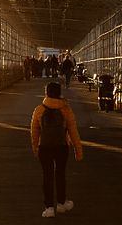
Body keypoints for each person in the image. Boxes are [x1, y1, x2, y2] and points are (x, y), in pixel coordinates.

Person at [31, 81, 83, 217]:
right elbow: (73, 131)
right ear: (60, 93)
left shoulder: (39, 110)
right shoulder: (65, 109)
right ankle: (61, 203)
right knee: (60, 174)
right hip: (61, 147)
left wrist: (36, 148)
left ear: (46, 93)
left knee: (47, 176)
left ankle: (49, 208)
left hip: (45, 147)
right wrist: (78, 151)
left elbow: (34, 132)